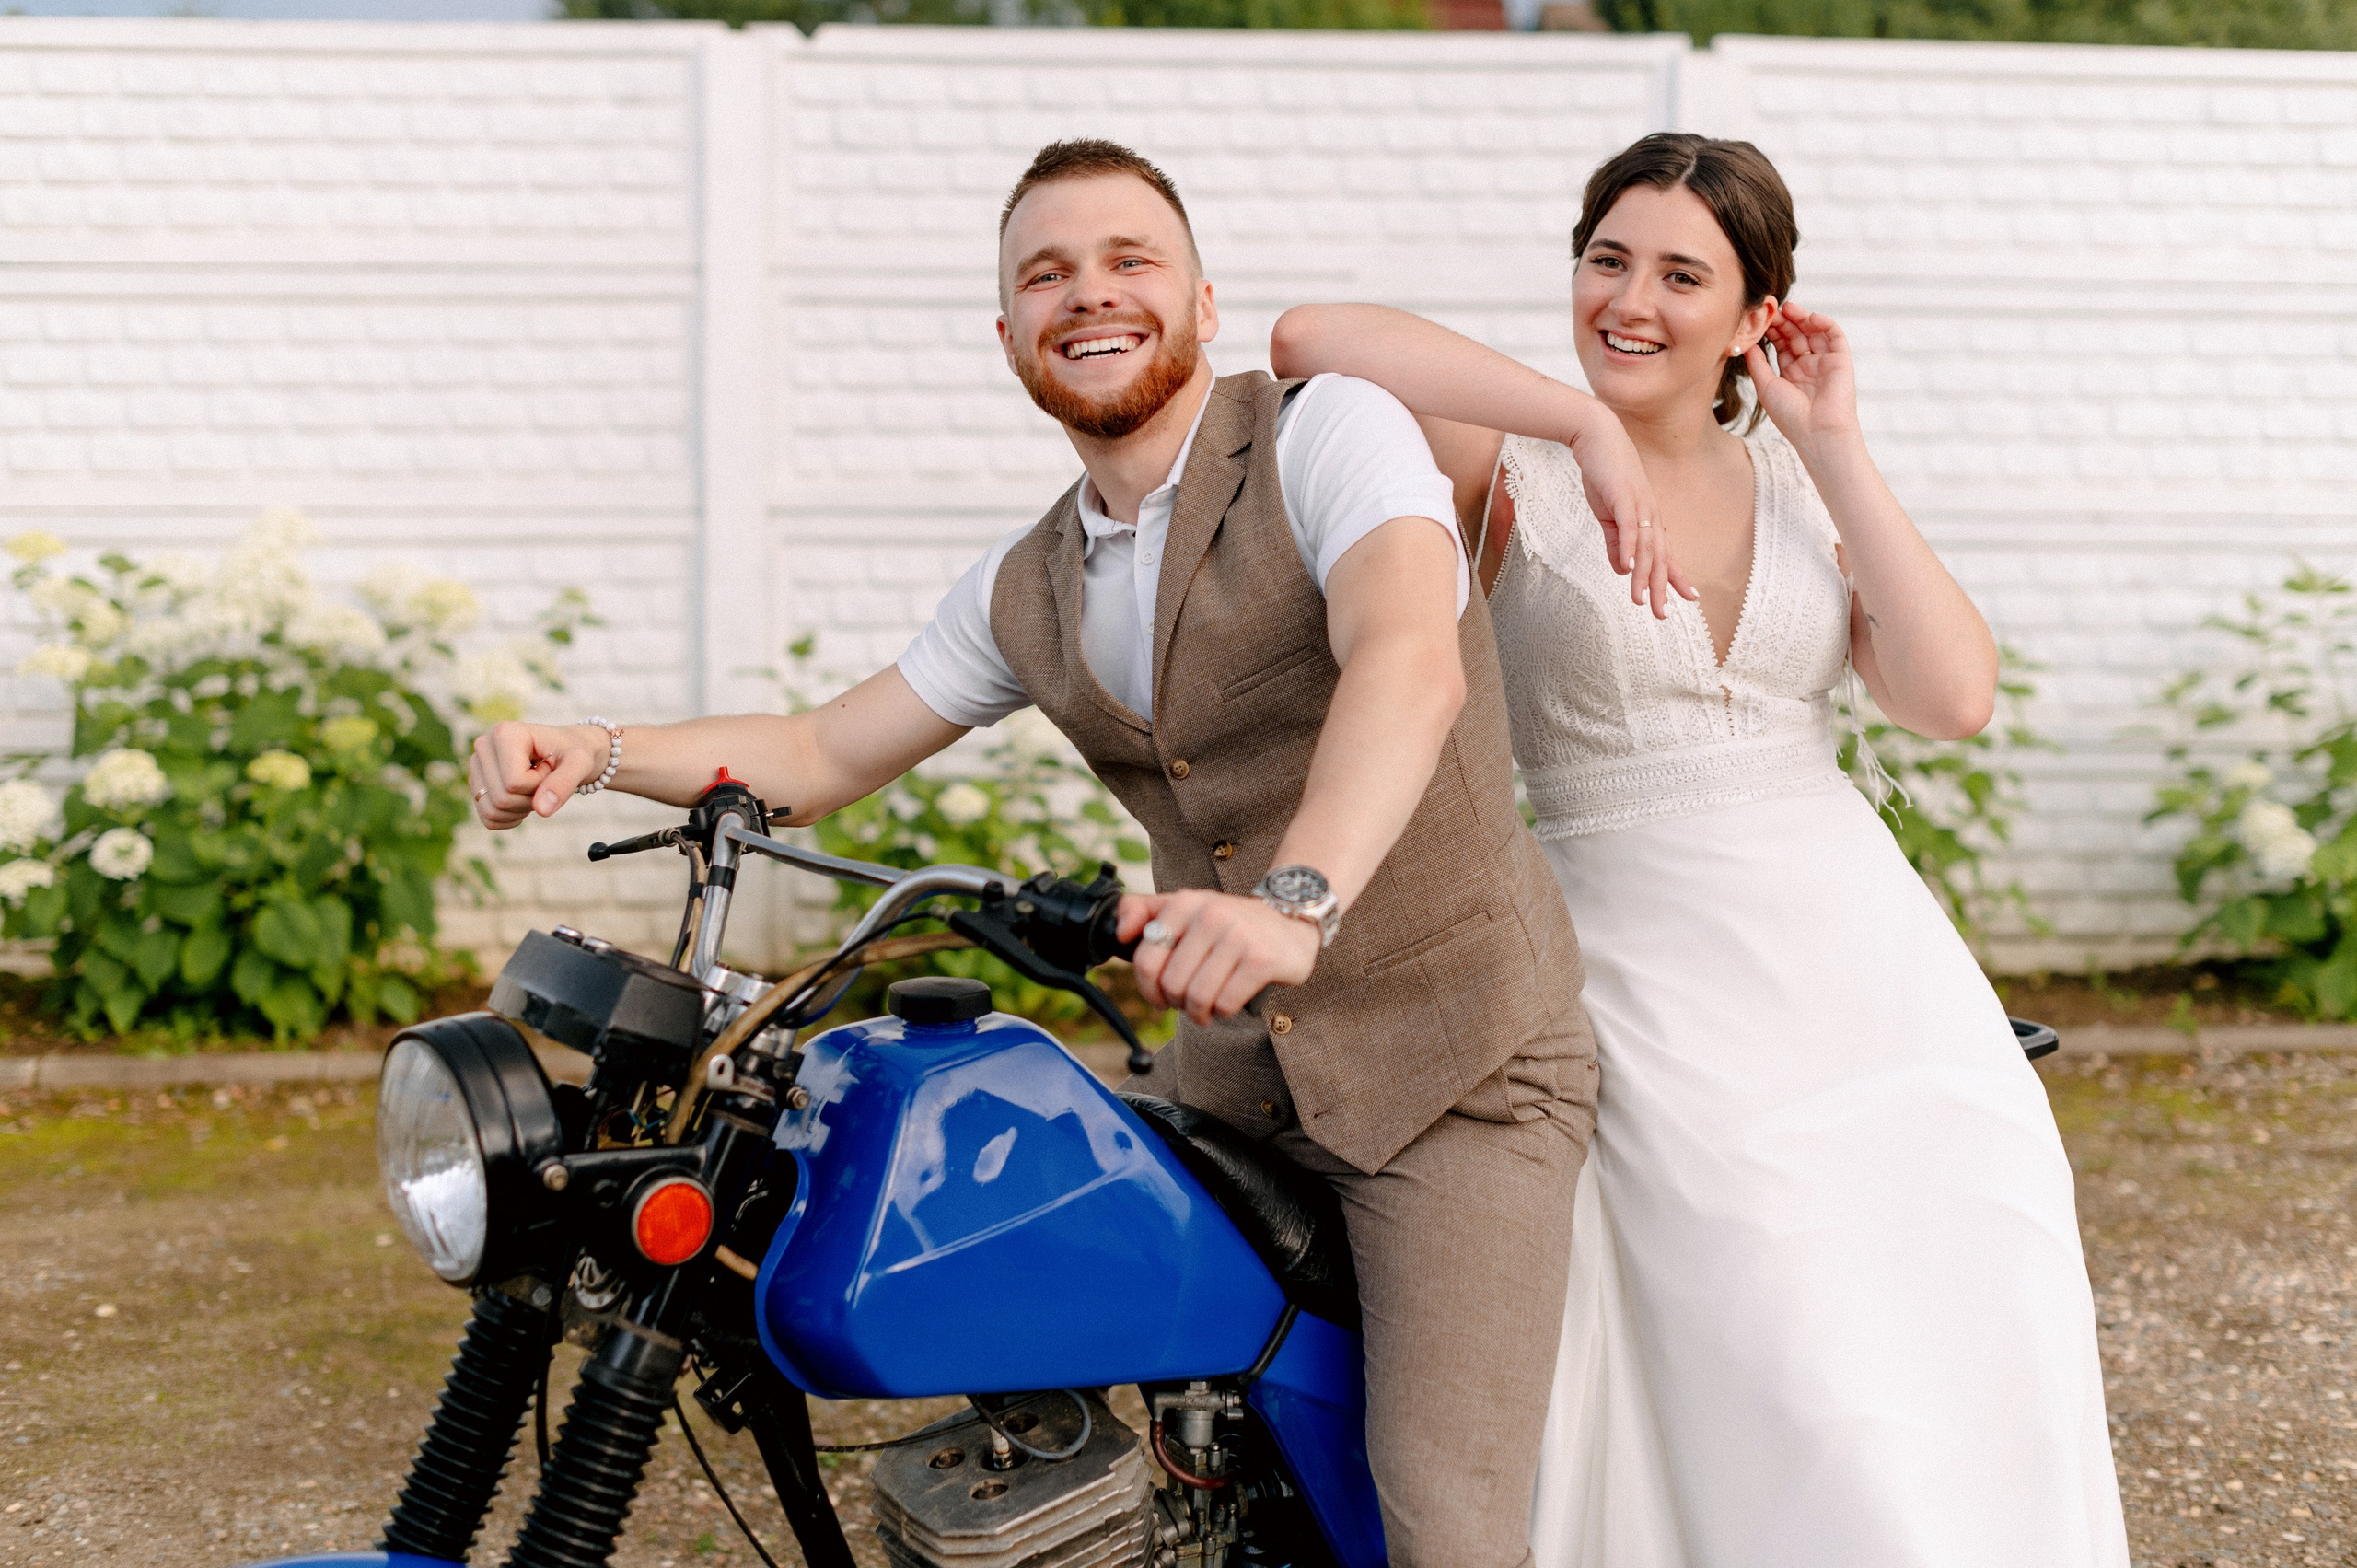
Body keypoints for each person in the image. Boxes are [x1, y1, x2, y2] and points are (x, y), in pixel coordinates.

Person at [469, 138, 1606, 1567]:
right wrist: (597, 746)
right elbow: (824, 752)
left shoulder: (1328, 433)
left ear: (1200, 304)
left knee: (1441, 1522)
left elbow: (1407, 662)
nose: (1089, 294)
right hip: (1241, 1077)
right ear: (1008, 335)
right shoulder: (1032, 582)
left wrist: (1295, 901)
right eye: (1046, 274)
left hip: (1459, 1074)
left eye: (1131, 260)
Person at [1272, 132, 2129, 1567]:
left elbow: (1950, 697)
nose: (1632, 300)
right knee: (1786, 1328)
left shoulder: (1795, 482)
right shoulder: (1511, 464)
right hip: (1642, 956)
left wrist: (1834, 442)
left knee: (1993, 1276)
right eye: (1607, 259)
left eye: (1684, 274)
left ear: (1756, 317)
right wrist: (1585, 424)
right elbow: (1309, 338)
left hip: (1869, 966)